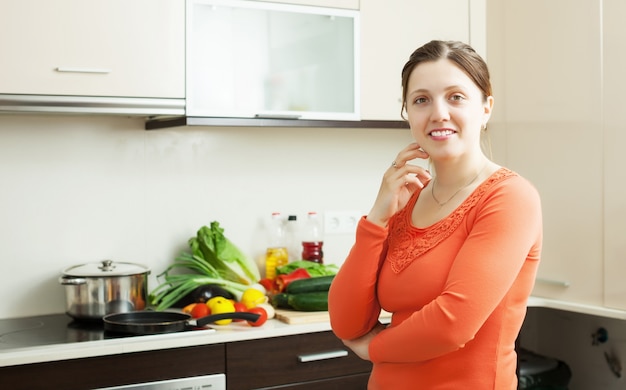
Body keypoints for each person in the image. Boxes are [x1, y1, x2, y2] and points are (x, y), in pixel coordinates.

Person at [328, 40, 542, 389]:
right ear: (407, 113)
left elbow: (453, 323)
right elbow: (346, 321)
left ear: (486, 107)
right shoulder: (406, 200)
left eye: (456, 97)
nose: (438, 113)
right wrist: (377, 219)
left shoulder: (509, 197)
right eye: (421, 100)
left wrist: (373, 350)